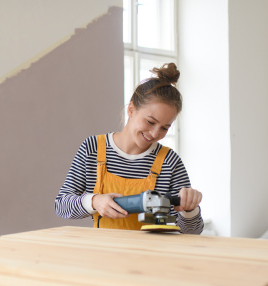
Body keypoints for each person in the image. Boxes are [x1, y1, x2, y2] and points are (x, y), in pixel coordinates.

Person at [54, 63, 203, 234]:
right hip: (102, 254)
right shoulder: (93, 149)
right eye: (150, 122)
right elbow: (62, 206)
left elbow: (193, 232)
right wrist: (95, 201)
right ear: (131, 110)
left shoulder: (169, 162)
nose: (155, 133)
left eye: (164, 128)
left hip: (151, 256)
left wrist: (190, 210)